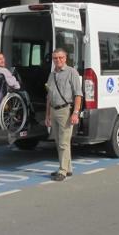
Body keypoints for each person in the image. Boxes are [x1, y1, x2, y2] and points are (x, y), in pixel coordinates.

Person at [45, 48, 83, 181]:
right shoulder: (52, 74)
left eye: (61, 57)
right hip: (54, 110)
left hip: (66, 110)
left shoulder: (72, 72)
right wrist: (47, 115)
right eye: (55, 58)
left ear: (65, 58)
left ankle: (62, 170)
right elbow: (49, 96)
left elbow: (78, 94)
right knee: (58, 141)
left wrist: (75, 113)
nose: (58, 60)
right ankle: (68, 168)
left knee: (63, 142)